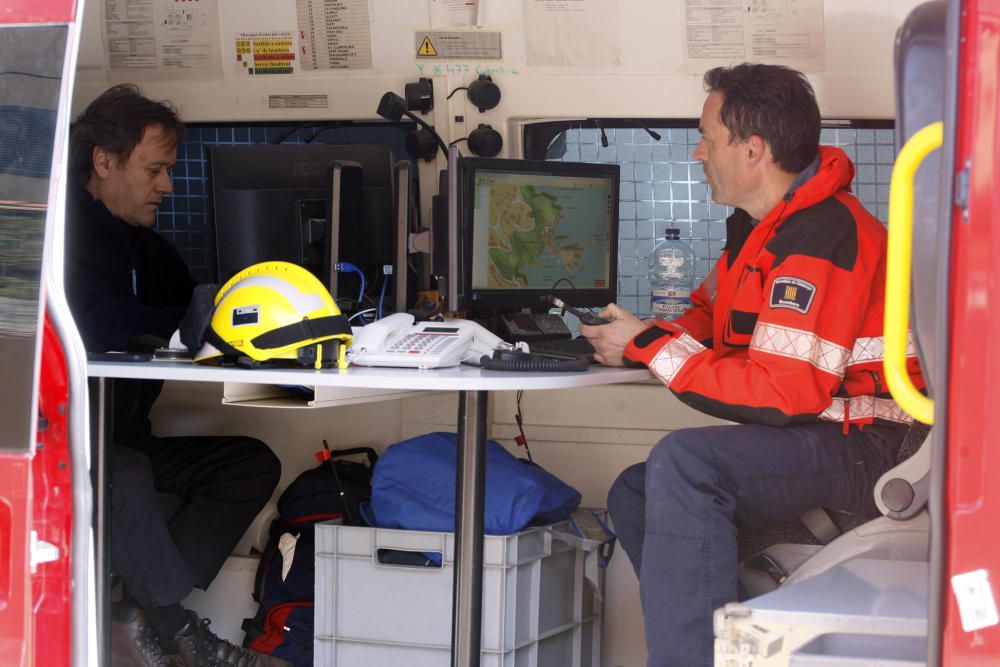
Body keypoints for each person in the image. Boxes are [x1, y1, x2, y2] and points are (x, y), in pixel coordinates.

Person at [579, 64, 924, 667]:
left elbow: (785, 392)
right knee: (635, 492)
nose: (698, 150)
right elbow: (710, 319)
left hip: (880, 446)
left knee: (686, 464)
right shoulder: (763, 232)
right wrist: (637, 335)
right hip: (830, 436)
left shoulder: (821, 236)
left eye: (708, 137)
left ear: (753, 150)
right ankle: (746, 648)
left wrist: (649, 348)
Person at [66, 84, 287, 667]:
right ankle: (174, 629)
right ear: (104, 161)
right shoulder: (55, 235)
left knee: (248, 464)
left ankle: (134, 617)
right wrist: (180, 327)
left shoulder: (148, 248)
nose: (166, 185)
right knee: (128, 472)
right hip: (58, 447)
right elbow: (92, 322)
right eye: (155, 169)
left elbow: (199, 312)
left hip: (123, 439)